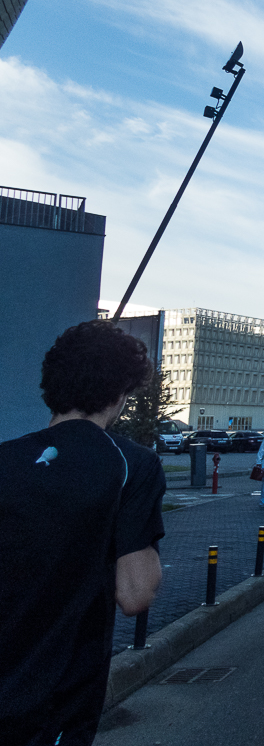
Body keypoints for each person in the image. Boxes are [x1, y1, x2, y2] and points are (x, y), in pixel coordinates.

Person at [0, 320, 165, 746]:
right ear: (120, 394)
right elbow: (136, 593)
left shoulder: (6, 458)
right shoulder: (132, 465)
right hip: (52, 703)